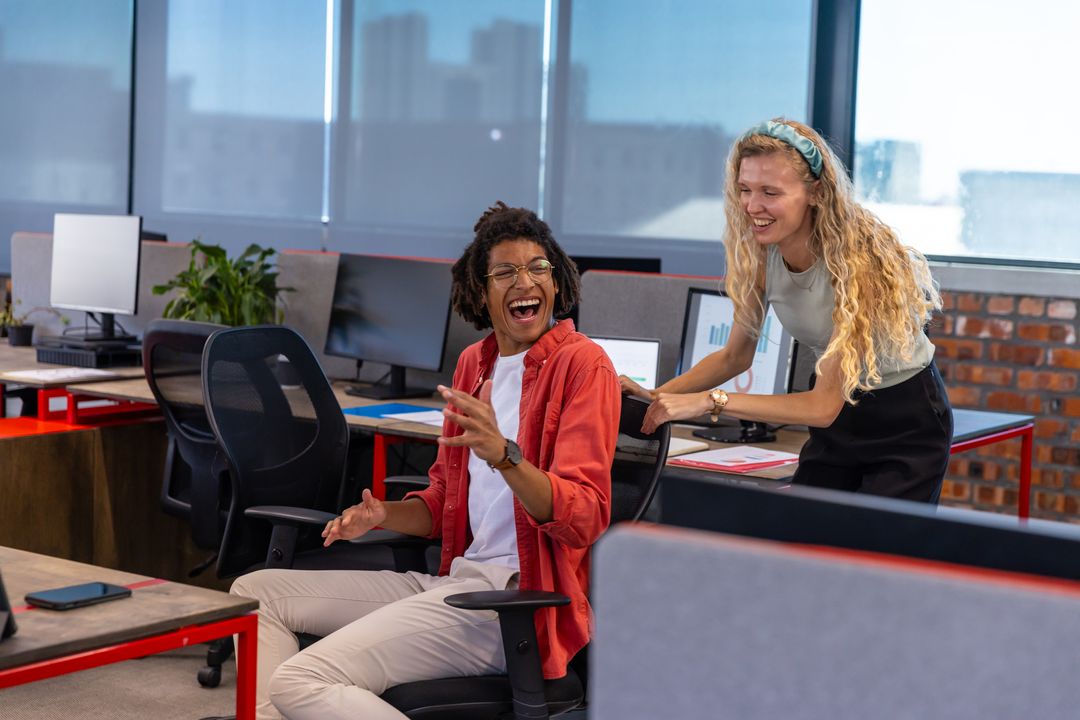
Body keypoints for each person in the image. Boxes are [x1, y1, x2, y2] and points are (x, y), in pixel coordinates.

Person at [230, 201, 620, 720]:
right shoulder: (474, 364)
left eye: (537, 268)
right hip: (456, 582)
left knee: (302, 678)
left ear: (557, 280)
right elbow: (442, 502)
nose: (524, 281)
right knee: (254, 595)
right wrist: (384, 515)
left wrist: (505, 457)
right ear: (481, 291)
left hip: (511, 605)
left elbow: (586, 514)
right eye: (505, 272)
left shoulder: (582, 364)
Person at [624, 118, 952, 503]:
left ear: (815, 193)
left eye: (770, 192)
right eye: (745, 190)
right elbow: (734, 356)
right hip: (838, 420)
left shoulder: (856, 269)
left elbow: (822, 406)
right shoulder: (761, 255)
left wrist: (711, 401)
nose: (752, 206)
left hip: (903, 421)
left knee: (873, 556)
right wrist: (656, 395)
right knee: (802, 540)